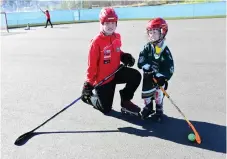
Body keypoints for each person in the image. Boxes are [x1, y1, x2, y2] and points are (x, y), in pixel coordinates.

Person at [81, 7, 142, 116]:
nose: (110, 26)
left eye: (113, 23)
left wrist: (123, 56)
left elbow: (116, 52)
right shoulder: (96, 42)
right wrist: (88, 83)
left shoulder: (117, 37)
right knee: (106, 109)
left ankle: (125, 100)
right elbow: (92, 65)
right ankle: (90, 98)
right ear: (102, 23)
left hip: (115, 72)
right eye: (107, 23)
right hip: (103, 80)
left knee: (135, 75)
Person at [137, 17, 174, 121]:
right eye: (150, 32)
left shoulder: (165, 50)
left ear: (162, 32)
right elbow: (141, 60)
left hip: (158, 78)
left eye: (155, 32)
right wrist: (144, 65)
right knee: (147, 94)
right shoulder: (147, 47)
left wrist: (164, 77)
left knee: (158, 94)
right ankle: (148, 107)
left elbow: (169, 66)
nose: (152, 35)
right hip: (148, 77)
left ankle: (159, 111)